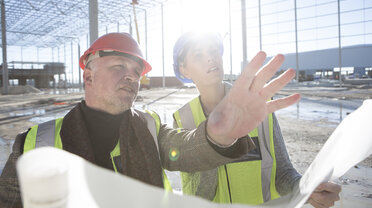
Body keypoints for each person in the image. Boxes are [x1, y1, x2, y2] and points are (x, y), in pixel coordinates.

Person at [0, 32, 299, 208]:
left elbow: (185, 149)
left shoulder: (149, 126)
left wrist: (217, 136)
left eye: (137, 71)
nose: (132, 76)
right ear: (88, 76)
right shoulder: (34, 144)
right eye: (119, 66)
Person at [172, 31, 341, 207]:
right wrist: (214, 143)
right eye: (198, 54)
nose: (210, 58)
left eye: (213, 50)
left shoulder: (258, 105)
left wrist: (305, 190)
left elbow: (283, 173)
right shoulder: (183, 119)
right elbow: (195, 195)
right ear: (184, 70)